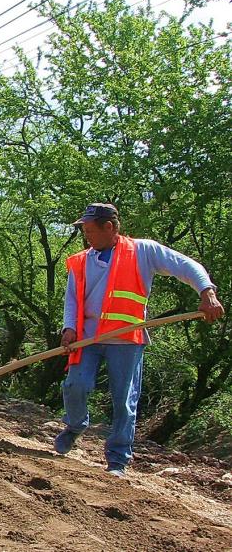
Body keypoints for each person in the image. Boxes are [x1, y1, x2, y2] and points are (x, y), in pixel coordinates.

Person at [56, 203, 224, 477]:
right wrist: (68, 328)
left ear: (108, 227)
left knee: (124, 400)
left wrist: (207, 292)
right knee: (75, 385)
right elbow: (72, 299)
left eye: (89, 230)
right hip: (87, 337)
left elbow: (185, 265)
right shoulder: (81, 260)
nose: (86, 236)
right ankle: (75, 426)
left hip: (125, 338)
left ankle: (117, 461)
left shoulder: (143, 251)